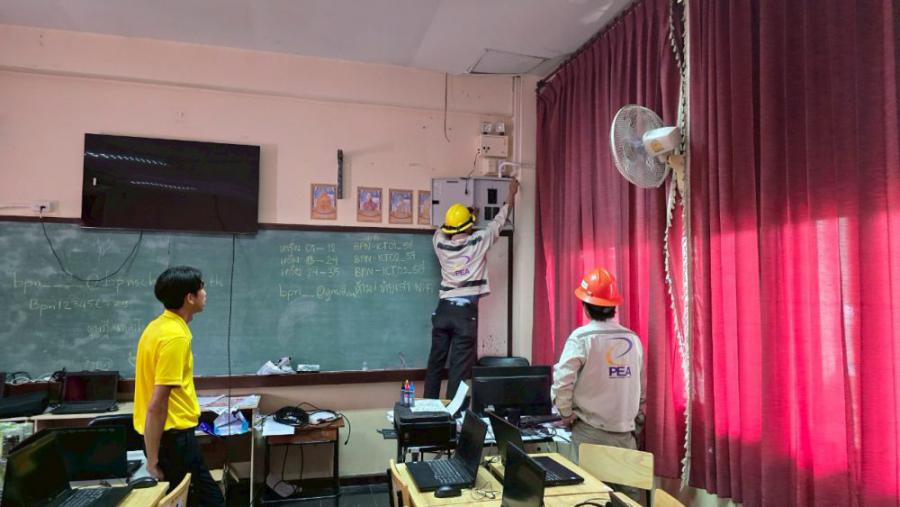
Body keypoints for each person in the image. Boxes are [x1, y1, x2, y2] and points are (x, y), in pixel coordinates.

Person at [133, 266, 224, 507]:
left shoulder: (158, 327)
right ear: (189, 298)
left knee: (199, 498)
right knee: (207, 501)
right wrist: (152, 461)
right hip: (172, 441)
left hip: (168, 438)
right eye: (202, 288)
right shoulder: (175, 337)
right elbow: (157, 404)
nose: (205, 293)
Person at [424, 179, 519, 400]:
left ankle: (427, 409)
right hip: (465, 315)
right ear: (469, 227)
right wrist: (511, 195)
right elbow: (498, 222)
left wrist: (463, 218)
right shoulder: (479, 241)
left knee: (435, 363)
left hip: (443, 311)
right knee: (458, 370)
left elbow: (441, 231)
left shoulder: (440, 244)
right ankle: (452, 414)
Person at [551, 267, 646, 460]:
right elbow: (641, 389)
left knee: (589, 481)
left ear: (585, 306)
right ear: (614, 306)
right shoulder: (632, 339)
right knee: (625, 481)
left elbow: (562, 382)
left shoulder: (581, 338)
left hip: (590, 433)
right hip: (626, 436)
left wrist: (565, 413)